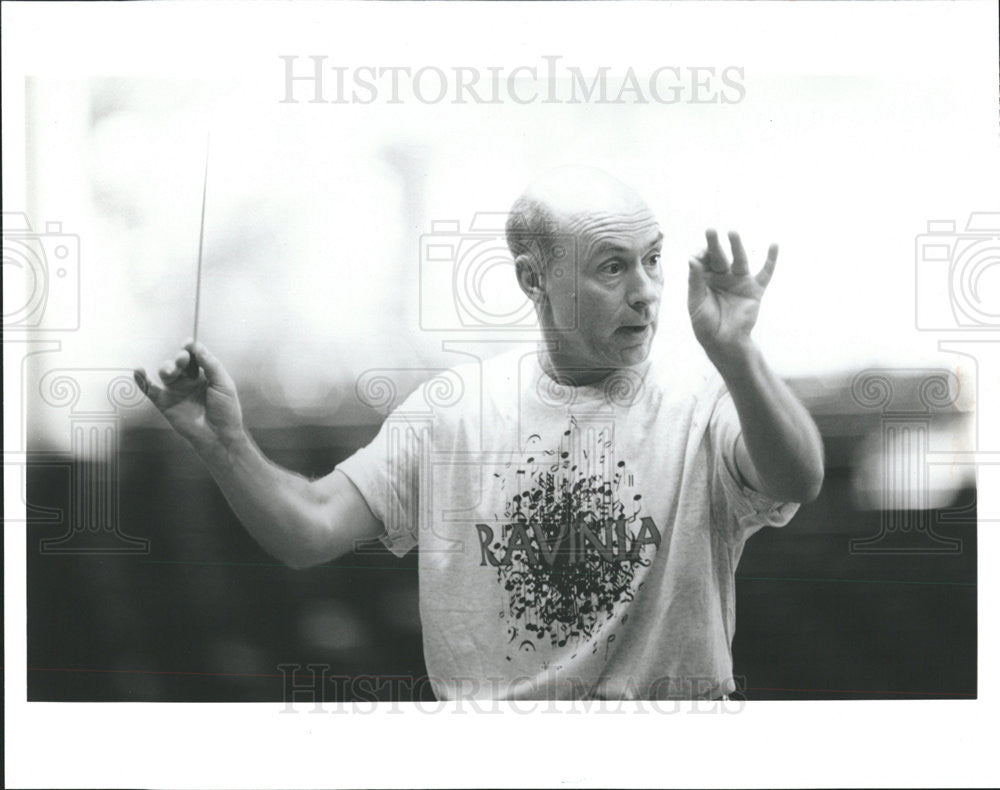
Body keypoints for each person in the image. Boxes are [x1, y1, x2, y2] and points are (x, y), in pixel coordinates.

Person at [134, 166, 824, 701]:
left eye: (652, 259)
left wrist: (739, 357)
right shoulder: (452, 412)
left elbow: (797, 479)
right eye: (612, 266)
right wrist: (224, 444)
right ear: (534, 279)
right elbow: (307, 530)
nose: (645, 290)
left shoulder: (703, 398)